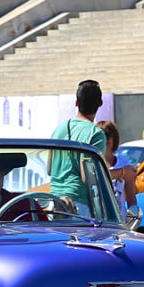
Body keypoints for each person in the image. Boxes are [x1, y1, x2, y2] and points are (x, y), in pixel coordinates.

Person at [47, 80, 108, 211]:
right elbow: (89, 177)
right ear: (100, 103)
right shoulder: (96, 134)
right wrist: (121, 173)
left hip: (54, 203)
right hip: (78, 205)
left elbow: (49, 169)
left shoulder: (59, 129)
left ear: (77, 103)